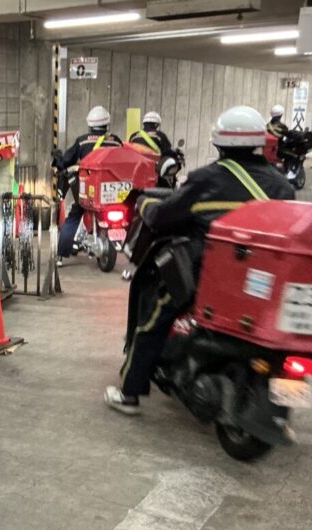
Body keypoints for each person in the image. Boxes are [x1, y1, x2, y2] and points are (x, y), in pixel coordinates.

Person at [104, 106, 295, 415]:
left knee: (153, 318)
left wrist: (145, 204)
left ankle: (129, 393)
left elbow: (164, 216)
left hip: (208, 277)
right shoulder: (282, 187)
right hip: (262, 285)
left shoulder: (207, 179)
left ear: (219, 143)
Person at [55, 106, 123, 260]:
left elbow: (66, 161)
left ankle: (61, 254)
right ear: (107, 124)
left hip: (90, 192)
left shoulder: (83, 141)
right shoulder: (116, 141)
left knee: (75, 214)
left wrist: (59, 160)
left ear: (90, 125)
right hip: (114, 193)